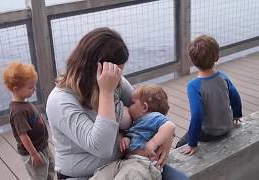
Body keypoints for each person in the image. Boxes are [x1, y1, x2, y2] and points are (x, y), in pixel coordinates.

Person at [46, 27, 188, 180]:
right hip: (84, 175)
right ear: (98, 67)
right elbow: (101, 148)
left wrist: (166, 138)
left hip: (128, 162)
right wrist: (106, 92)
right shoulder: (61, 101)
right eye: (117, 70)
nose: (119, 76)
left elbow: (145, 111)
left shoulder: (115, 79)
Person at [90, 85, 176, 180]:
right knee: (102, 174)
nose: (128, 106)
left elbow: (170, 126)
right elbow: (135, 136)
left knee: (128, 175)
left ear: (144, 107)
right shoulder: (136, 123)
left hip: (143, 164)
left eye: (132, 103)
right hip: (126, 162)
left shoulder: (154, 117)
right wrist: (126, 140)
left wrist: (153, 143)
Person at [176, 35, 243, 155]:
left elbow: (197, 115)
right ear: (217, 57)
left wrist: (192, 143)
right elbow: (235, 96)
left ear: (192, 60)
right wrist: (237, 115)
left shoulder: (193, 86)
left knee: (179, 145)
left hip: (209, 134)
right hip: (227, 127)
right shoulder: (223, 77)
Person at [3, 61, 55, 180]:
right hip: (34, 151)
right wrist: (33, 154)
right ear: (16, 89)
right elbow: (23, 135)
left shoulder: (24, 102)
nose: (34, 89)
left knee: (50, 170)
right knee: (39, 175)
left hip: (42, 146)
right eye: (30, 87)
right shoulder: (18, 111)